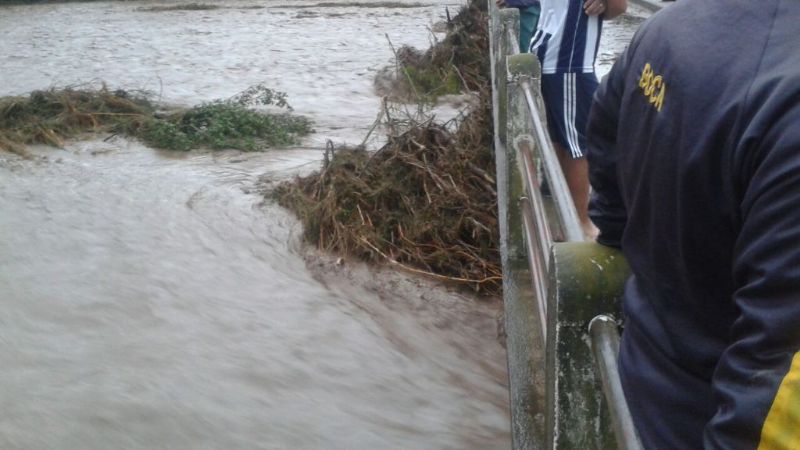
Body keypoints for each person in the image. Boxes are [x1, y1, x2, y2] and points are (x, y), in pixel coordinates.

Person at [587, 0, 800, 448]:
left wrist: (617, 237)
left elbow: (604, 138)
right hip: (709, 416)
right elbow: (776, 379)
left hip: (640, 369)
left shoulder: (669, 24)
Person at [530, 0, 627, 239]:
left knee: (562, 140)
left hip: (551, 53)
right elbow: (620, 6)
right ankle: (580, 222)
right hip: (570, 61)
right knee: (579, 146)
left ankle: (564, 221)